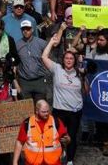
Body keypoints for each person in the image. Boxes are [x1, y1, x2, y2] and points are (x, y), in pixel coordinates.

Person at [40, 25, 83, 165]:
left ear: (74, 60)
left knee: (71, 136)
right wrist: (51, 43)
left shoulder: (79, 73)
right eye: (66, 58)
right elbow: (44, 57)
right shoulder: (57, 69)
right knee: (57, 136)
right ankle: (58, 155)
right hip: (60, 111)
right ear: (63, 60)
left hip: (75, 111)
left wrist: (84, 76)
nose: (69, 60)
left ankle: (70, 160)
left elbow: (87, 90)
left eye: (71, 58)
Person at [11, 99, 70, 165]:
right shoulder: (27, 123)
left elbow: (67, 139)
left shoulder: (56, 122)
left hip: (54, 163)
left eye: (48, 111)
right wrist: (15, 162)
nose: (46, 114)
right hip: (32, 163)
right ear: (36, 111)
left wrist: (67, 140)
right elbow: (19, 142)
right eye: (43, 112)